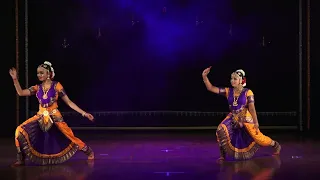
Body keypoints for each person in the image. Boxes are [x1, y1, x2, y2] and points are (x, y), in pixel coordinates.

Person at [9, 61, 95, 167]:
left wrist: (84, 113)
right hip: (40, 117)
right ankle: (21, 159)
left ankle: (88, 151)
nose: (39, 75)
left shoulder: (56, 86)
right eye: (38, 73)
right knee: (19, 130)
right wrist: (15, 79)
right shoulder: (37, 88)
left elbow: (69, 102)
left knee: (69, 136)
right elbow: (21, 93)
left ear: (48, 74)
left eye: (41, 73)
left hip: (55, 117)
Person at [202, 66, 281, 161]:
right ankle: (223, 155)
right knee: (220, 130)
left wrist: (256, 122)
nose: (232, 81)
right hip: (233, 116)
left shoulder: (248, 92)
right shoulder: (228, 91)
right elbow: (211, 88)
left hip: (245, 116)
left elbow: (252, 108)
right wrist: (204, 77)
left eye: (235, 79)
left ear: (241, 80)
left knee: (258, 138)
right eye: (231, 79)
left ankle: (275, 144)